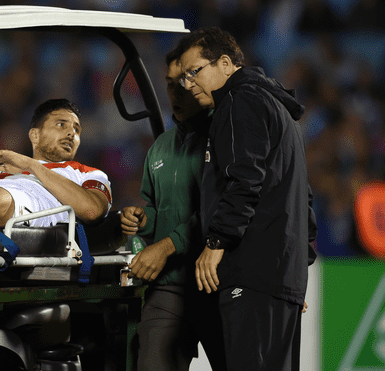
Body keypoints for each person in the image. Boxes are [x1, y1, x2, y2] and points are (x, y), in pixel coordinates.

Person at [177, 27, 317, 370]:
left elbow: (244, 179)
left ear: (225, 63)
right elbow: (305, 200)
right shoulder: (278, 110)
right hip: (281, 274)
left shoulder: (240, 101)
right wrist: (297, 268)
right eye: (183, 78)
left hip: (252, 271)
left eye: (194, 72)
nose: (189, 84)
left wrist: (216, 241)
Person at [120, 46, 227, 371]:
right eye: (169, 82)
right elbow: (155, 208)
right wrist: (141, 218)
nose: (177, 90)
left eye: (185, 79)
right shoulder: (160, 147)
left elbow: (221, 208)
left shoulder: (224, 136)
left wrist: (168, 246)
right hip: (168, 287)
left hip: (218, 282)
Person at [0, 99, 112, 228]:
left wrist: (32, 166)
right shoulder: (2, 167)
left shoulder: (87, 173)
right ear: (35, 135)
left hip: (28, 202)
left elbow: (93, 210)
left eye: (77, 130)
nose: (71, 133)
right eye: (61, 125)